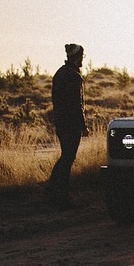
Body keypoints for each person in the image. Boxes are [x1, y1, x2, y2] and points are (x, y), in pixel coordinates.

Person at [44, 43, 88, 208]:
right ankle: (59, 195)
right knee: (68, 158)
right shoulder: (73, 76)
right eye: (82, 56)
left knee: (66, 157)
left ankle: (53, 191)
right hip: (71, 123)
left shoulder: (60, 73)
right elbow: (76, 104)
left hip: (61, 121)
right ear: (78, 57)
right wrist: (83, 125)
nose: (83, 59)